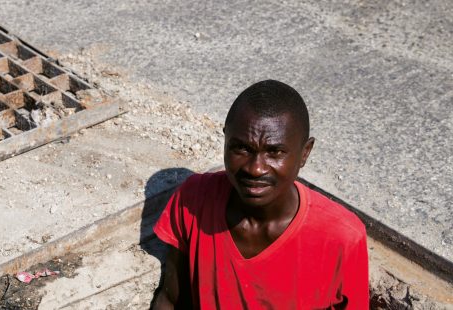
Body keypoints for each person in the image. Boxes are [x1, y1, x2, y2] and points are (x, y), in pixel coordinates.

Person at [152, 80, 368, 309]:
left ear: (304, 153)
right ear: (225, 140)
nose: (255, 169)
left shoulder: (342, 238)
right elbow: (170, 301)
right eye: (241, 148)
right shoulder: (193, 201)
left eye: (275, 152)